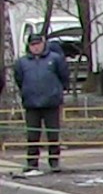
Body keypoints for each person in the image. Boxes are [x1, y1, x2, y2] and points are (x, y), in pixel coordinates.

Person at [13, 32, 69, 175]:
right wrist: (26, 93)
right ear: (29, 46)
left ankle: (54, 161)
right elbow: (19, 79)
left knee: (53, 134)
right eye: (33, 45)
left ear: (43, 44)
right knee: (32, 135)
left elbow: (63, 77)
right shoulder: (22, 62)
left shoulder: (55, 59)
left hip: (51, 102)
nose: (36, 47)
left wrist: (58, 92)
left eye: (38, 44)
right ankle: (32, 163)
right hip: (31, 103)